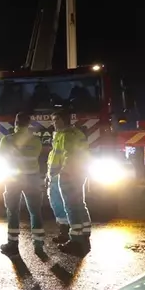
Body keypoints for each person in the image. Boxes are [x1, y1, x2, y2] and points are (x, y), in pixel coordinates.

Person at [0, 112, 45, 257]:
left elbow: (2, 159)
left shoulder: (7, 140)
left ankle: (12, 244)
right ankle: (38, 244)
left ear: (15, 122)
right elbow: (37, 157)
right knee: (35, 211)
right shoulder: (36, 141)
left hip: (14, 180)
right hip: (32, 178)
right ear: (29, 123)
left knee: (13, 211)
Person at [47, 109, 92, 256]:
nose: (53, 124)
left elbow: (67, 156)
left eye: (54, 120)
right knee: (79, 203)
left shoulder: (66, 136)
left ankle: (76, 240)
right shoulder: (76, 133)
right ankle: (85, 233)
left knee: (71, 207)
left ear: (61, 120)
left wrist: (63, 172)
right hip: (78, 173)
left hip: (68, 175)